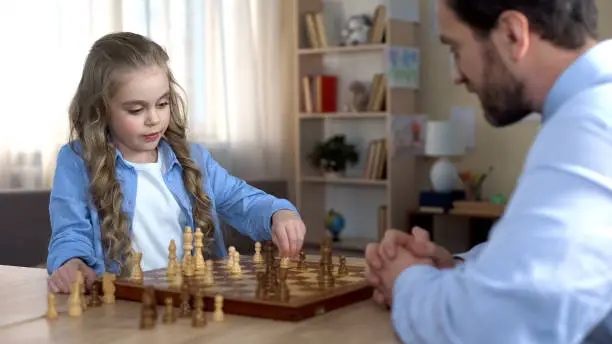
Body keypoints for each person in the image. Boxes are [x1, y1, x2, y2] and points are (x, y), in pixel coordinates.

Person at [365, 0, 612, 342]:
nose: (457, 74)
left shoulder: (589, 126)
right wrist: (456, 269)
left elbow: (488, 329)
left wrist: (407, 279)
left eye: (455, 48)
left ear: (512, 34)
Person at [47, 32, 306, 294]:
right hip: (123, 305)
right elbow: (69, 232)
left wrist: (278, 213)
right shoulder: (76, 161)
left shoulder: (194, 159)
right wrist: (71, 262)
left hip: (190, 301)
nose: (153, 119)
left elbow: (242, 200)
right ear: (102, 110)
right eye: (136, 110)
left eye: (162, 103)